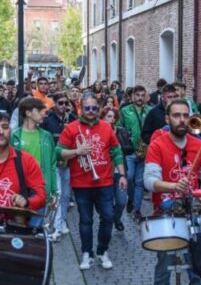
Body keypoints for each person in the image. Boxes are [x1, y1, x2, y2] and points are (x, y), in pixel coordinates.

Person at [144, 99, 201, 285]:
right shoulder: (157, 145)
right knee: (164, 268)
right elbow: (150, 180)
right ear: (167, 119)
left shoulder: (199, 145)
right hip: (166, 214)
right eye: (176, 115)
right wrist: (174, 185)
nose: (182, 120)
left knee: (197, 270)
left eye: (185, 115)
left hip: (193, 214)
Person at [57, 93, 127, 270]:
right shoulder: (71, 128)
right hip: (81, 184)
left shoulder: (106, 127)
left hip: (104, 182)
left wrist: (122, 175)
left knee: (109, 217)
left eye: (94, 108)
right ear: (81, 108)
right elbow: (59, 151)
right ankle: (86, 253)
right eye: (87, 107)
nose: (90, 111)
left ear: (99, 109)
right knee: (85, 220)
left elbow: (116, 152)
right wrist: (77, 152)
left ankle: (102, 251)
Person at [0, 111, 46, 285]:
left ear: (10, 130)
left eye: (5, 127)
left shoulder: (24, 161)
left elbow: (41, 194)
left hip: (12, 234)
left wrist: (27, 200)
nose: (1, 132)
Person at [10, 97, 58, 229]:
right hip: (20, 190)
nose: (44, 113)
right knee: (19, 229)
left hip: (41, 190)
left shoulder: (46, 136)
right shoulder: (14, 136)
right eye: (40, 110)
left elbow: (52, 165)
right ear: (28, 113)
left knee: (35, 230)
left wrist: (53, 191)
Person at [41, 92, 78, 240]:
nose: (63, 106)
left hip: (69, 162)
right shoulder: (48, 120)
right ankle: (55, 227)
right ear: (54, 104)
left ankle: (62, 222)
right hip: (54, 162)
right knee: (57, 194)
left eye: (65, 103)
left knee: (66, 196)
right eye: (60, 103)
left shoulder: (73, 118)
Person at [118, 85, 150, 219]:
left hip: (145, 150)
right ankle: (130, 197)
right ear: (132, 96)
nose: (140, 98)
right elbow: (119, 127)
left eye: (143, 95)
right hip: (130, 151)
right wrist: (126, 136)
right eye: (137, 95)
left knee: (140, 181)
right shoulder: (125, 110)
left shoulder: (150, 110)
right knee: (129, 177)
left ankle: (137, 208)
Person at [102, 106, 133, 232]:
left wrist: (119, 148)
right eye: (108, 116)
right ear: (103, 117)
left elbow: (129, 148)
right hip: (105, 172)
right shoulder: (99, 132)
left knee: (121, 201)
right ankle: (107, 220)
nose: (111, 119)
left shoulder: (121, 131)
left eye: (113, 117)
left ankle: (116, 218)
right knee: (107, 202)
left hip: (119, 171)